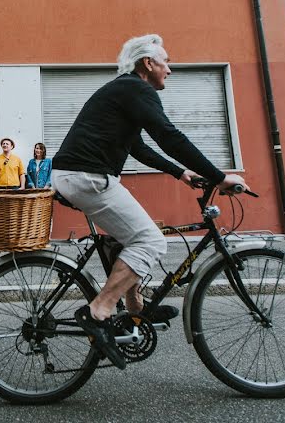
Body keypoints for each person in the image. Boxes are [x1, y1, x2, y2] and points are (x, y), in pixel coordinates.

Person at [51, 34, 249, 370]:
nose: (169, 70)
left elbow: (138, 147)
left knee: (129, 238)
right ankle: (99, 309)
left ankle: (135, 308)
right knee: (151, 241)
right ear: (148, 64)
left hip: (82, 176)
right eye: (166, 62)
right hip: (88, 177)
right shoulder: (135, 89)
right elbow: (169, 136)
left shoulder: (126, 91)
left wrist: (180, 173)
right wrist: (219, 176)